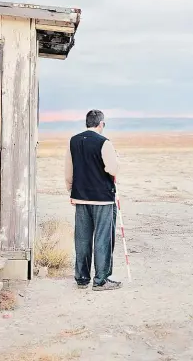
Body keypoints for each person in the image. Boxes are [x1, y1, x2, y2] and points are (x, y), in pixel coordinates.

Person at [65, 110, 121, 291]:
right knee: (103, 238)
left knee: (82, 238)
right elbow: (112, 169)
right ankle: (101, 280)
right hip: (103, 199)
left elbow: (69, 169)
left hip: (80, 197)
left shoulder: (73, 141)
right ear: (101, 124)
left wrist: (71, 190)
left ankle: (82, 278)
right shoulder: (104, 142)